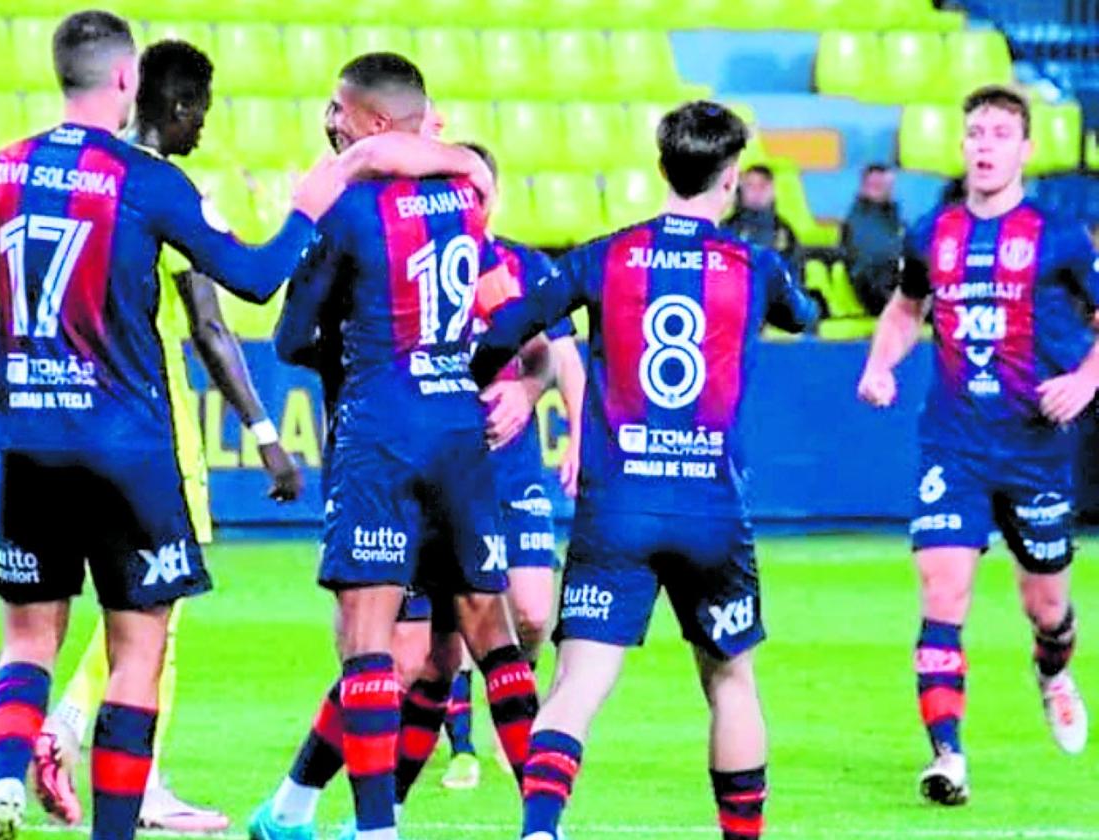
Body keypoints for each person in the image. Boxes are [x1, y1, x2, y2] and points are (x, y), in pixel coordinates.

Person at [0, 10, 353, 840]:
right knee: (139, 650)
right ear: (125, 79)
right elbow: (254, 280)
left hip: (29, 439)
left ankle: (4, 780)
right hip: (126, 446)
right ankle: (115, 829)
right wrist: (307, 207)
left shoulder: (4, 168)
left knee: (28, 641)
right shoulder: (150, 184)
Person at [470, 100, 819, 840]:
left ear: (662, 168)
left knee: (575, 687)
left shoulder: (604, 255)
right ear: (729, 178)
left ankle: (539, 831)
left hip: (617, 508)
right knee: (729, 679)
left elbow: (509, 326)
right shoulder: (754, 264)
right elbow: (805, 315)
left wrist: (477, 375)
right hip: (712, 514)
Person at [255, 53, 540, 840]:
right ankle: (544, 824)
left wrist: (354, 342)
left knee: (371, 638)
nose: (332, 123)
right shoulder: (470, 199)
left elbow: (288, 336)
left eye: (340, 113)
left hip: (380, 431)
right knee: (493, 632)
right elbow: (505, 315)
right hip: (458, 428)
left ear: (373, 124)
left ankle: (377, 830)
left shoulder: (349, 212)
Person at [30, 39, 302, 833]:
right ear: (179, 108)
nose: (205, 130)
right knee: (159, 602)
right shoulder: (165, 188)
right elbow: (213, 329)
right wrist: (263, 433)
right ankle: (107, 755)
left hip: (65, 414)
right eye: (202, 113)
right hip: (154, 422)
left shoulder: (86, 177)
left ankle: (86, 740)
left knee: (128, 602)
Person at [857, 85, 1095, 806]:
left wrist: (1087, 380)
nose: (985, 144)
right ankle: (948, 757)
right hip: (953, 443)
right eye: (975, 133)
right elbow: (906, 310)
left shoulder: (1059, 236)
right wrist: (879, 363)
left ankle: (1052, 669)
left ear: (1025, 149)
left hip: (1036, 448)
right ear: (962, 147)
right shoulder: (932, 232)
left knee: (1046, 606)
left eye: (1000, 133)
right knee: (943, 591)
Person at [441, 143, 588, 791]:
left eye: (478, 190)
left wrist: (571, 428)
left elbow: (562, 358)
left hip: (515, 467)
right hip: (446, 467)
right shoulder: (429, 264)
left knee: (530, 613)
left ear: (494, 195)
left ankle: (509, 710)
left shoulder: (524, 266)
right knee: (452, 620)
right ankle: (472, 742)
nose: (469, 202)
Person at [842, 163, 904, 316]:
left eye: (885, 185)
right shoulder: (859, 219)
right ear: (864, 187)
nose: (881, 189)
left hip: (890, 283)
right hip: (872, 287)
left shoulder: (892, 218)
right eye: (875, 185)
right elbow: (876, 255)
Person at [726, 163, 800, 275]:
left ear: (773, 190)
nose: (756, 192)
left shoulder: (784, 233)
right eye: (750, 185)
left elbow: (793, 276)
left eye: (763, 185)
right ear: (740, 189)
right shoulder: (725, 229)